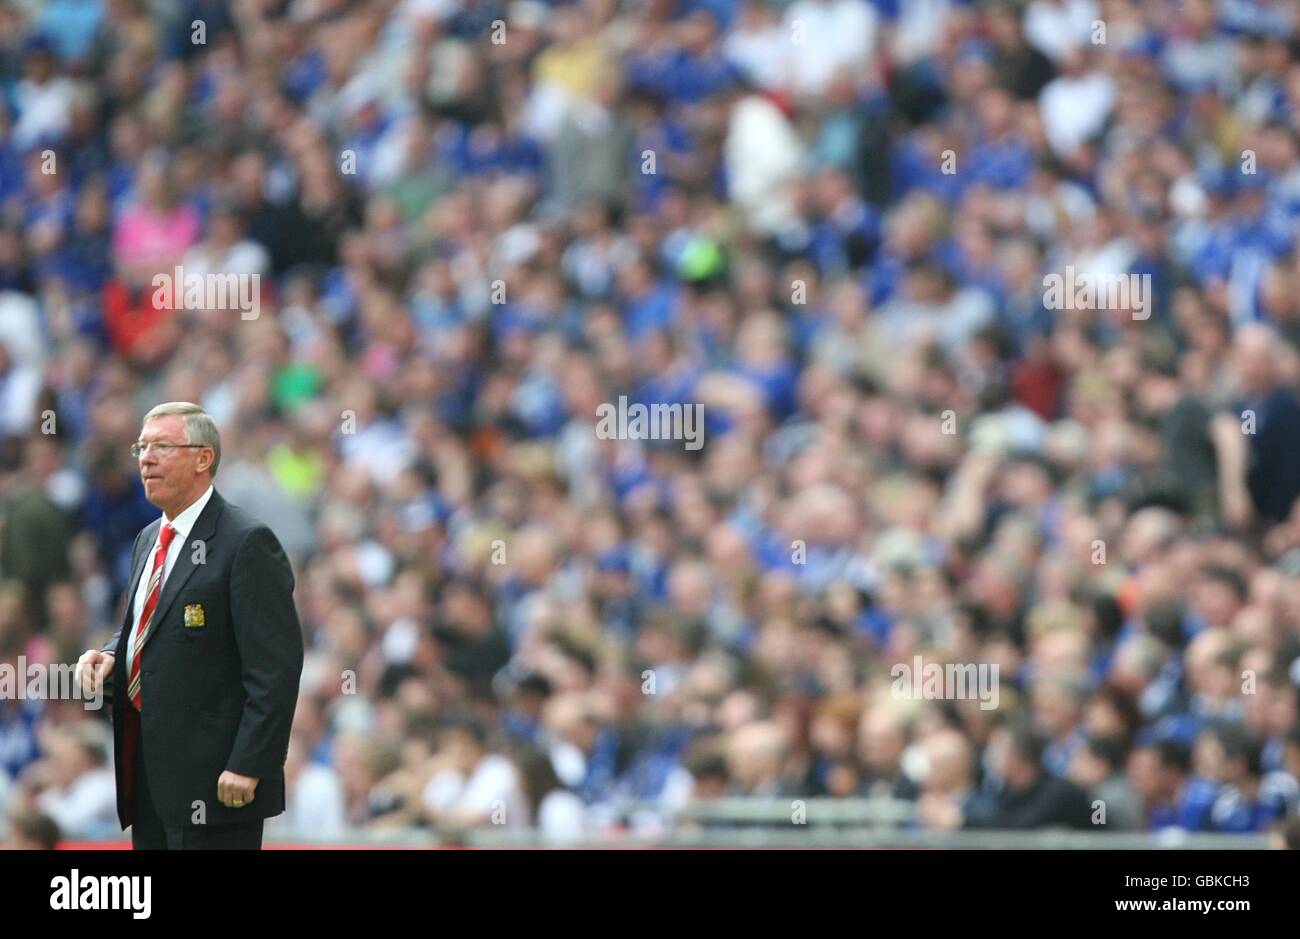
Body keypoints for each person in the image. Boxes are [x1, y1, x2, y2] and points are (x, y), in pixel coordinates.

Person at [76, 402, 303, 849]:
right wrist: (109, 654)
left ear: (204, 458)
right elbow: (148, 628)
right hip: (148, 777)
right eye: (141, 447)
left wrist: (250, 763)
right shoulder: (148, 539)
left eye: (162, 446)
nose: (145, 458)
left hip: (217, 785)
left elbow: (275, 668)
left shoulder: (246, 543)